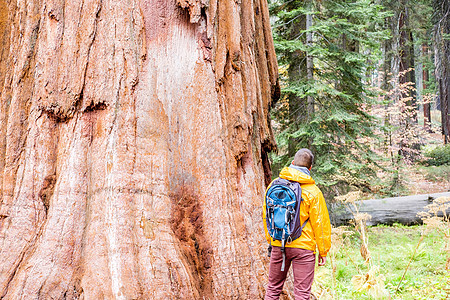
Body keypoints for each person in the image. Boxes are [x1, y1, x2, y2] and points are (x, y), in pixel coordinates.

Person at [263, 148, 331, 300]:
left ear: (292, 163)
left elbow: (266, 215)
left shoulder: (274, 185)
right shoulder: (313, 192)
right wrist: (323, 250)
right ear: (310, 168)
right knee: (301, 293)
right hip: (303, 248)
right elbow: (320, 223)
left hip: (279, 243)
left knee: (273, 289)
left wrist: (271, 240)